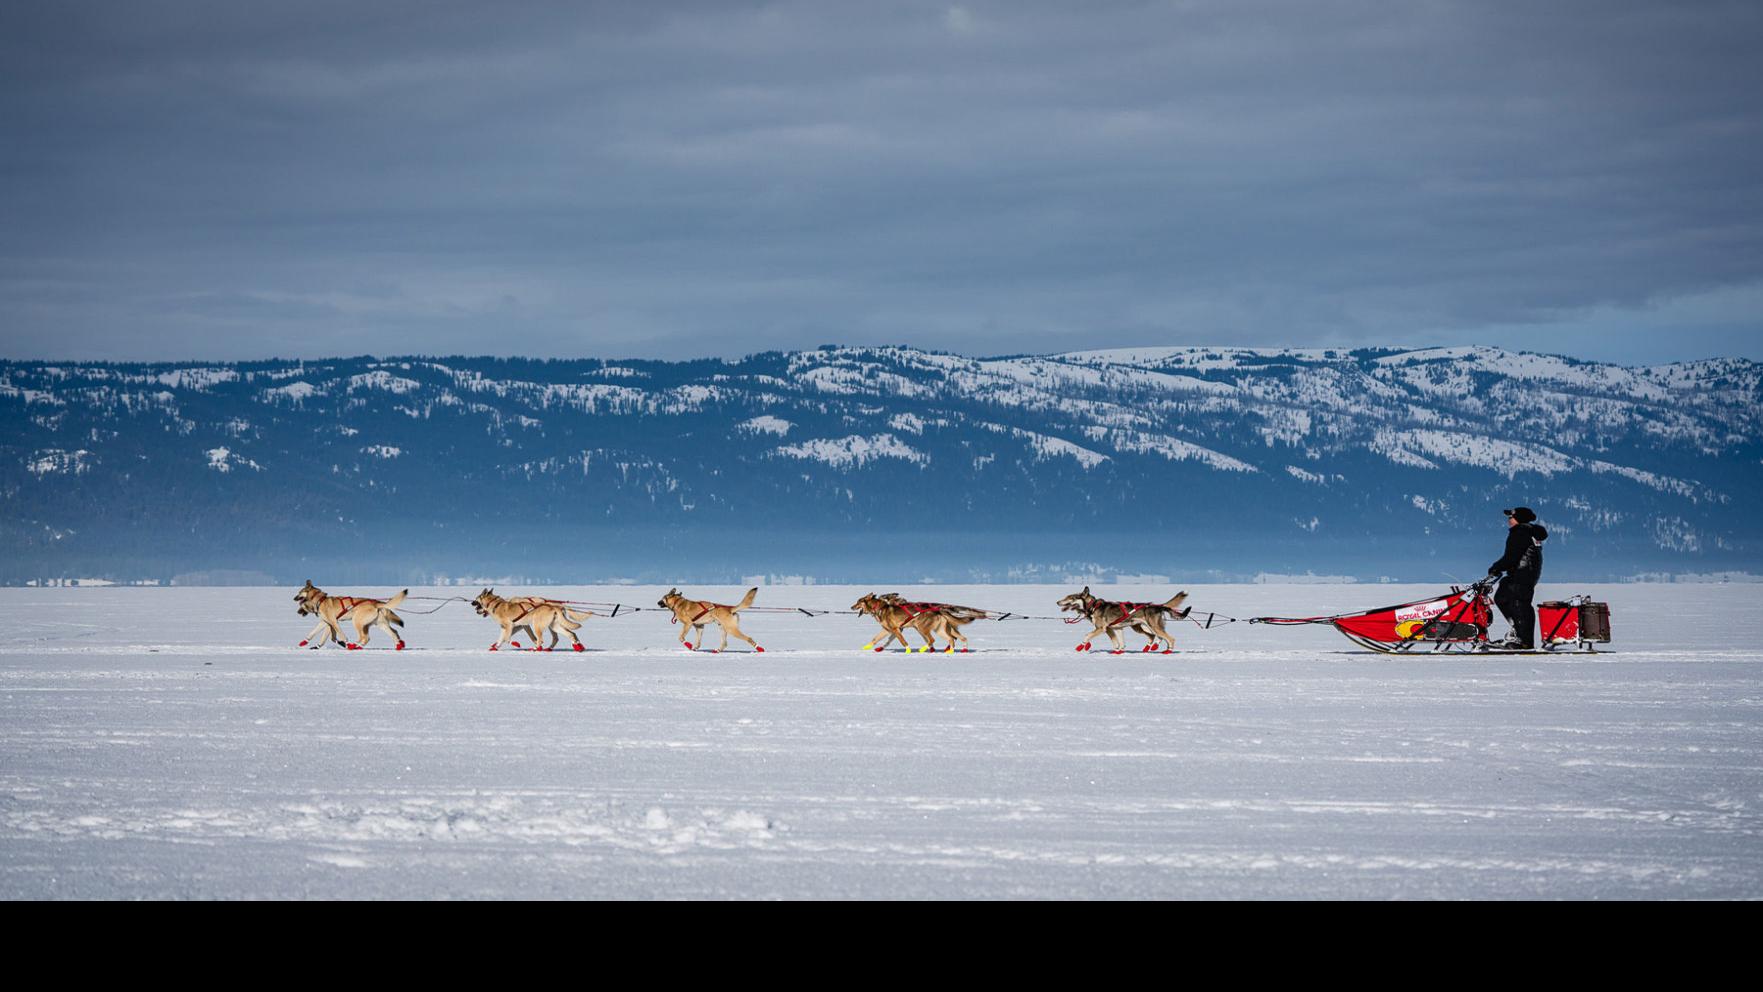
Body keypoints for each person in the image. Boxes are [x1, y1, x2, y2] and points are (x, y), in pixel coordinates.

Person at [1488, 507, 1548, 649]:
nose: (1509, 520)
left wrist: (1496, 568)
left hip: (1522, 575)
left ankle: (1523, 641)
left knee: (1518, 604)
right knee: (1503, 597)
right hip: (1525, 574)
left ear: (1519, 519)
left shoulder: (1520, 533)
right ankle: (1519, 633)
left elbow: (1511, 557)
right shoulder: (1529, 533)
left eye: (1511, 517)